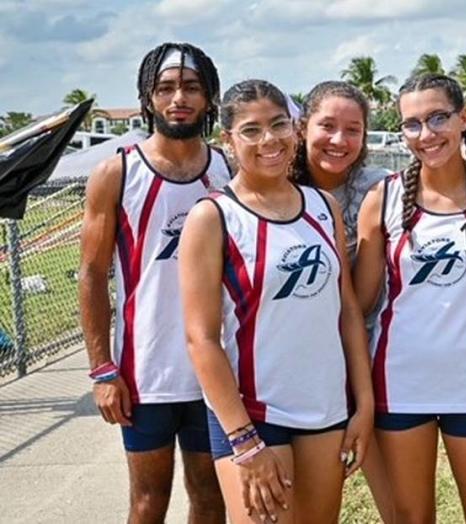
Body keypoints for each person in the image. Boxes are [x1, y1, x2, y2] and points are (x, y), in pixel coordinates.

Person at [178, 79, 374, 523]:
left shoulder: (323, 206)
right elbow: (200, 339)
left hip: (324, 409)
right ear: (227, 140)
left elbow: (345, 312)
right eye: (251, 130)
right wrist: (244, 440)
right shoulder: (213, 217)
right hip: (252, 415)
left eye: (279, 124)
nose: (269, 140)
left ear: (296, 130)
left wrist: (362, 406)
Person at [353, 73, 466, 523]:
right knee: (413, 517)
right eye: (412, 124)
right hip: (399, 381)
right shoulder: (385, 198)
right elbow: (359, 302)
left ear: (464, 118)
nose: (426, 134)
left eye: (437, 118)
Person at [78, 42, 229, 523]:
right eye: (165, 88)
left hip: (216, 371)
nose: (178, 98)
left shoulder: (229, 170)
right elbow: (91, 274)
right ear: (147, 99)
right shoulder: (118, 172)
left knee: (211, 498)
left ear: (208, 98)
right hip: (147, 375)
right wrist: (103, 370)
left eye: (190, 87)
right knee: (148, 501)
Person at [289, 80, 395, 523]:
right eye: (327, 126)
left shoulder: (382, 189)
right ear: (301, 128)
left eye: (353, 129)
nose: (339, 140)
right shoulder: (275, 184)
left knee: (400, 504)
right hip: (289, 365)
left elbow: (361, 300)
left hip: (366, 355)